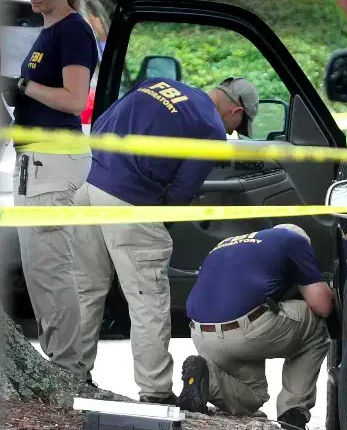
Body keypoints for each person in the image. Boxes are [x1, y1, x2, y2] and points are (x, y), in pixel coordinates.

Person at [71, 76, 259, 403]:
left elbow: (100, 125)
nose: (231, 133)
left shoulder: (158, 83)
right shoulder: (210, 129)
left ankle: (71, 376)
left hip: (88, 189)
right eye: (237, 127)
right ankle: (155, 392)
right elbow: (180, 194)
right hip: (129, 204)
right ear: (236, 111)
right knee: (149, 301)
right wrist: (157, 217)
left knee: (85, 290)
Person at [6, 0, 98, 381]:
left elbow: (75, 100)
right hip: (37, 161)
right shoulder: (48, 30)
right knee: (43, 267)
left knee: (49, 269)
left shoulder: (73, 30)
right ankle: (66, 362)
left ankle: (68, 368)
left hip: (52, 161)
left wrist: (25, 86)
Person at [177, 224, 333, 430]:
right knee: (316, 326)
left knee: (253, 396)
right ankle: (293, 413)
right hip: (247, 329)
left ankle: (206, 376)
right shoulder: (294, 241)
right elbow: (323, 306)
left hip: (201, 333)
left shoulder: (224, 245)